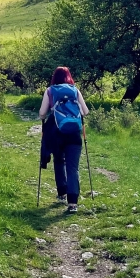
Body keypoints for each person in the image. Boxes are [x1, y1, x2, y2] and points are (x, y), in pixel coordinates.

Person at [38, 66, 90, 212]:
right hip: (74, 134)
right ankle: (72, 203)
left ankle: (62, 193)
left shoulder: (50, 90)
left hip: (57, 134)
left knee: (59, 161)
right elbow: (85, 112)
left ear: (54, 77)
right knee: (73, 168)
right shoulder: (75, 90)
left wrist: (48, 114)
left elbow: (42, 113)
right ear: (69, 76)